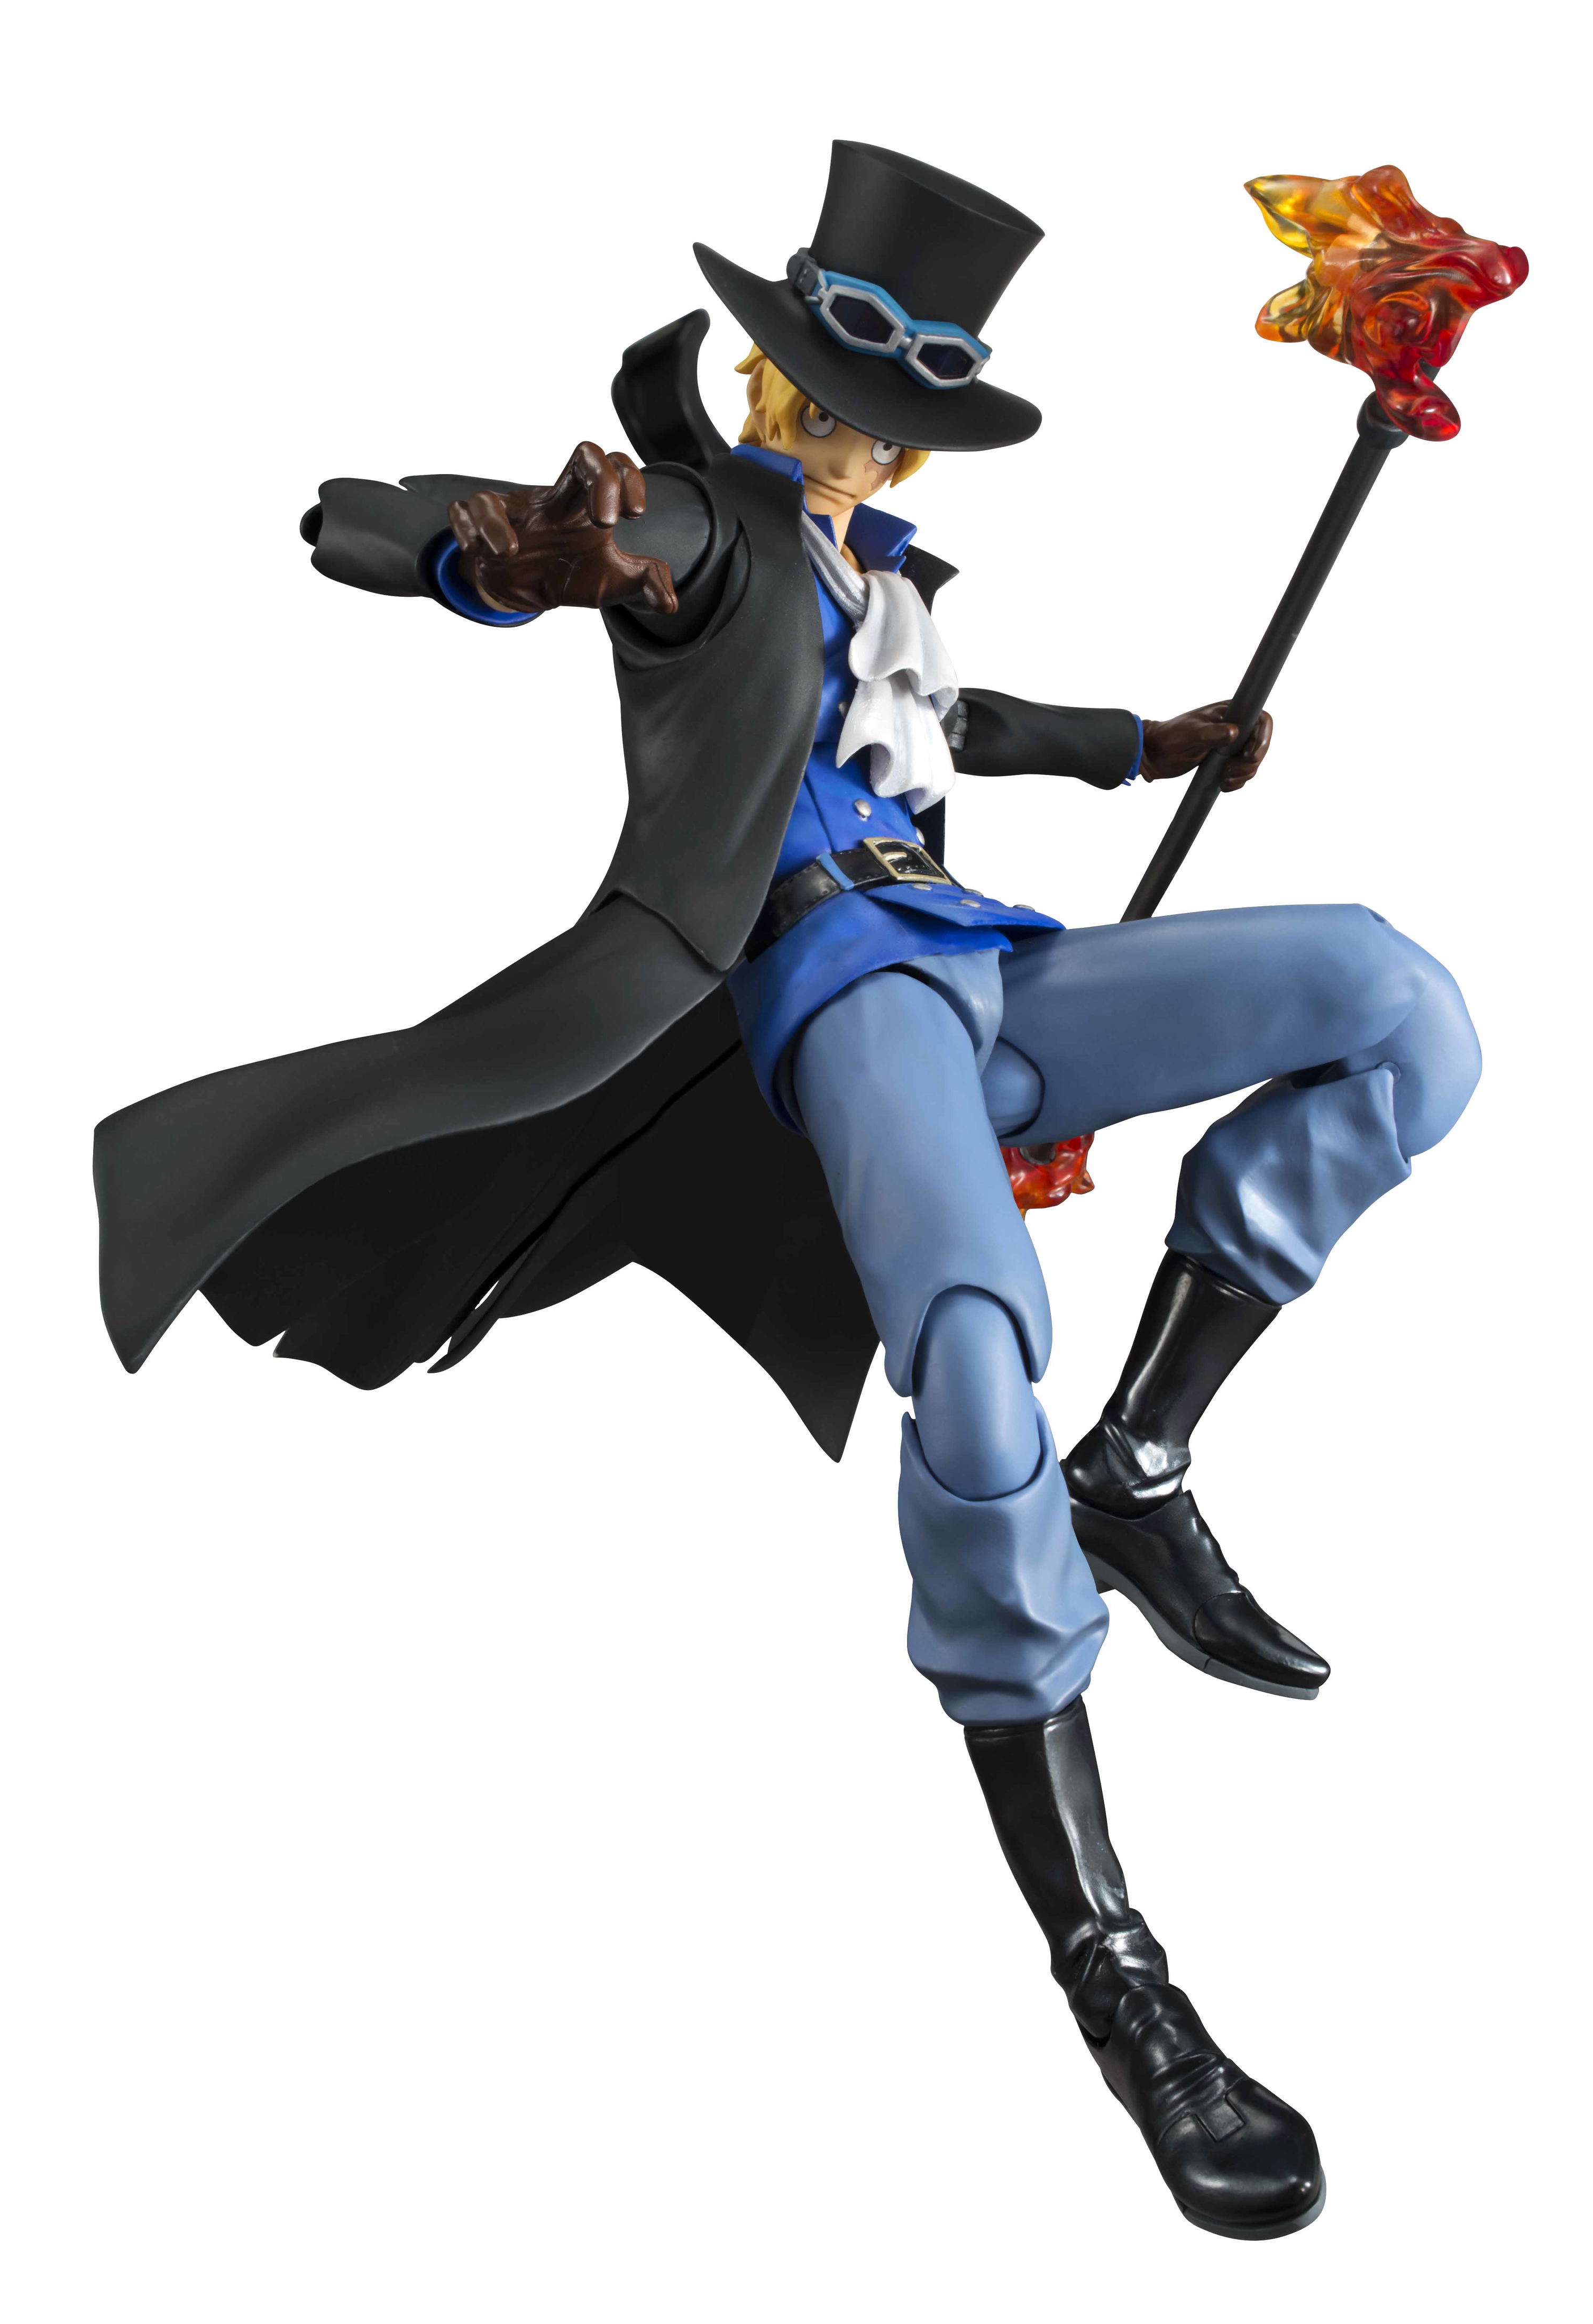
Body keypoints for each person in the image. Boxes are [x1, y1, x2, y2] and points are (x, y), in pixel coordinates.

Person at [95, 143, 1480, 2238]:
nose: (852, 424)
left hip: (991, 966)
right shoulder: (711, 525)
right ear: (763, 376)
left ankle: (1141, 1457)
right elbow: (519, 541)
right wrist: (479, 548)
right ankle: (1118, 1970)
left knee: (1396, 1004)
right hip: (840, 992)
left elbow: (955, 721)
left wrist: (1148, 742)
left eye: (898, 398)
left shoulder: (885, 574)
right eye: (831, 380)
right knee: (972, 1360)